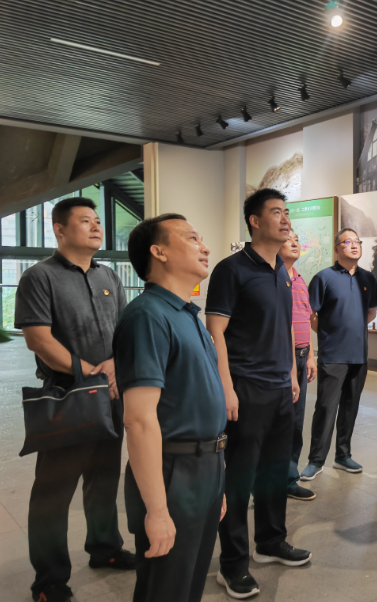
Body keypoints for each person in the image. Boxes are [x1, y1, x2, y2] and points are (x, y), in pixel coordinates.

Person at [15, 197, 135, 602]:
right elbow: (39, 340)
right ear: (59, 229)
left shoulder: (109, 275)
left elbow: (123, 331)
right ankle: (49, 580)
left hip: (111, 395)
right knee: (53, 492)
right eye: (86, 220)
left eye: (98, 220)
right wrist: (91, 374)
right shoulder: (39, 276)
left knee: (104, 479)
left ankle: (105, 548)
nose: (97, 226)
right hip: (67, 397)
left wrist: (114, 366)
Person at [114, 213, 228, 602]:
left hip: (206, 468)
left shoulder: (187, 315)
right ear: (159, 252)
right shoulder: (147, 316)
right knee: (167, 588)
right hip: (174, 472)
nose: (204, 247)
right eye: (192, 238)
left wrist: (217, 480)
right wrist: (157, 511)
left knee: (189, 584)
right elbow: (139, 420)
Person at [206, 189, 311, 599]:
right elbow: (216, 332)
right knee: (238, 479)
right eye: (276, 213)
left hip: (280, 387)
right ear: (254, 220)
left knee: (273, 471)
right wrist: (227, 388)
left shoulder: (281, 270)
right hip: (245, 388)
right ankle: (232, 565)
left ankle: (270, 542)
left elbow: (284, 325)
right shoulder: (232, 269)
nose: (285, 220)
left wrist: (292, 373)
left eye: (287, 213)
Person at [299, 228, 377, 480]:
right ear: (336, 249)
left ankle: (343, 455)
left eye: (357, 242)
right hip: (332, 354)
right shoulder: (323, 278)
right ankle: (316, 460)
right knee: (325, 407)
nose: (354, 245)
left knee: (350, 407)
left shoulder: (369, 278)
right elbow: (312, 315)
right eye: (348, 242)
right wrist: (330, 334)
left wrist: (352, 329)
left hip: (359, 354)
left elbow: (371, 313)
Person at [278, 231, 318, 501]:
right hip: (283, 358)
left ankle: (289, 479)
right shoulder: (275, 277)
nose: (294, 243)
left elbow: (305, 318)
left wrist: (311, 355)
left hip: (302, 356)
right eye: (287, 239)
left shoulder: (300, 279)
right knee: (279, 423)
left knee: (295, 422)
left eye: (296, 239)